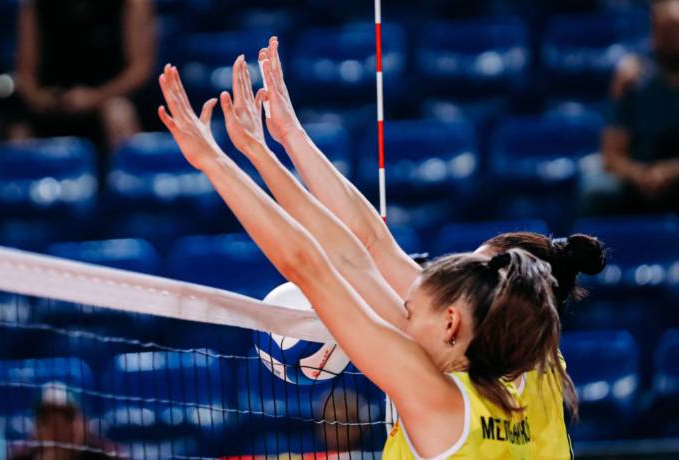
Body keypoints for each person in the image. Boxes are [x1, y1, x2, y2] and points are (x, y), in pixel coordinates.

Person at [156, 61, 575, 458]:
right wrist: (279, 143)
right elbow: (364, 251)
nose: (401, 316)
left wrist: (217, 160)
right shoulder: (528, 374)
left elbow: (318, 265)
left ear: (454, 321)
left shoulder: (437, 397)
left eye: (409, 311)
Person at [11, 0, 155, 156]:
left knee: (119, 114)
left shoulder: (132, 4)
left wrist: (95, 97)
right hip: (53, 104)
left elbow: (139, 70)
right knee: (18, 133)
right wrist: (39, 98)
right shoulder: (34, 7)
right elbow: (25, 73)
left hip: (107, 99)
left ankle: (127, 170)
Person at [580, 0, 679, 215]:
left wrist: (670, 172)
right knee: (595, 190)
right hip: (639, 178)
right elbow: (611, 153)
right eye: (664, 29)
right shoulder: (632, 80)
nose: (671, 38)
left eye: (676, 29)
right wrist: (640, 175)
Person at [8, 382, 120, 460]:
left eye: (67, 417)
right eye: (46, 418)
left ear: (83, 422)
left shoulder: (107, 455)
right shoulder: (20, 456)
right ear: (36, 426)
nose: (57, 428)